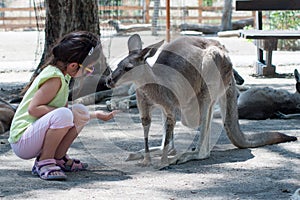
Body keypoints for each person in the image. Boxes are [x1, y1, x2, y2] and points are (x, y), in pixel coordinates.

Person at [9, 31, 117, 181]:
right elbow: (33, 109)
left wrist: (96, 115)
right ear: (73, 65)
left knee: (80, 111)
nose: (90, 72)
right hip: (22, 141)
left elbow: (67, 113)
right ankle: (44, 161)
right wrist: (65, 113)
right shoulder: (55, 78)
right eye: (89, 69)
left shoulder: (64, 76)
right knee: (65, 114)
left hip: (35, 135)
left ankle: (58, 158)